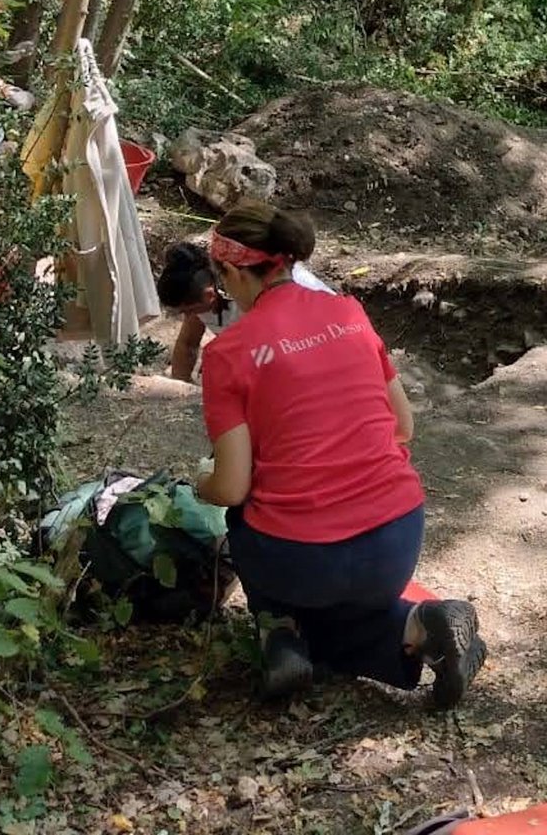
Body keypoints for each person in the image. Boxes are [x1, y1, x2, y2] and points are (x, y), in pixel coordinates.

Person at [192, 198, 486, 704]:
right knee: (343, 607)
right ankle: (418, 623)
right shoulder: (349, 313)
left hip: (301, 559)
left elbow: (233, 485)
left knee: (243, 515)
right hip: (397, 538)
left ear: (234, 273)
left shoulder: (227, 353)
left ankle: (282, 632)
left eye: (222, 280)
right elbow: (403, 427)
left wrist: (202, 482)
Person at [157, 237, 331, 383]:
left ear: (209, 295)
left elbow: (274, 354)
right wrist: (180, 388)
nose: (189, 316)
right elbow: (188, 344)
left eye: (189, 310)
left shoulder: (267, 293)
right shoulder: (205, 293)